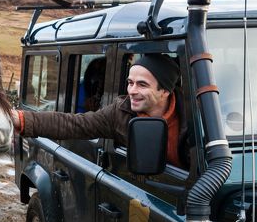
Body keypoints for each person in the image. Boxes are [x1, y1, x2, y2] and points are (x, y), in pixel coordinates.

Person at [12, 53, 188, 169]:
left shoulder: (194, 119)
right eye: (130, 82)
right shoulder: (120, 112)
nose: (132, 91)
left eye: (142, 84)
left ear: (165, 91)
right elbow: (74, 124)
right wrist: (21, 118)